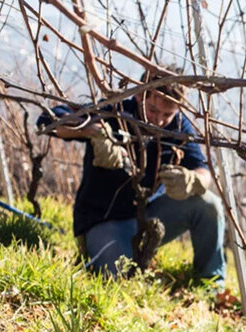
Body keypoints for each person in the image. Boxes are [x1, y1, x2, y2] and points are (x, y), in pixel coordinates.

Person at [38, 66, 226, 282]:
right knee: (117, 277)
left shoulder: (178, 125)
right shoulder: (114, 111)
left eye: (168, 114)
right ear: (139, 96)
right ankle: (98, 252)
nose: (159, 120)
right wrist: (92, 131)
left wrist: (194, 181)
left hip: (147, 215)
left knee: (208, 205)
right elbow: (49, 121)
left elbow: (203, 168)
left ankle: (211, 283)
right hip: (102, 220)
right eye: (153, 110)